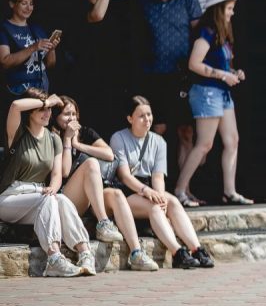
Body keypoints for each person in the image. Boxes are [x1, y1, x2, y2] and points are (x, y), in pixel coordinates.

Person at [52, 96, 159, 271]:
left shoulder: (86, 132)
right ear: (56, 117)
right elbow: (64, 172)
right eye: (65, 114)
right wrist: (67, 141)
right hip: (68, 198)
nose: (71, 118)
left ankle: (136, 252)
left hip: (92, 196)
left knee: (116, 194)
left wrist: (77, 144)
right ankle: (103, 223)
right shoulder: (54, 136)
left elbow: (109, 154)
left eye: (74, 113)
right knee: (91, 164)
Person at [110, 96, 214, 269]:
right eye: (141, 116)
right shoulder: (119, 138)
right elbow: (124, 176)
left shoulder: (159, 141)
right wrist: (147, 192)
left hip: (149, 187)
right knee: (155, 207)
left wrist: (159, 194)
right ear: (130, 118)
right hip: (128, 190)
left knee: (172, 202)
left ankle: (196, 249)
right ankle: (177, 253)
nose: (147, 119)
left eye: (149, 115)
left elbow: (158, 176)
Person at [0, 89, 95, 277]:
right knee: (49, 200)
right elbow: (15, 106)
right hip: (10, 196)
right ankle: (53, 258)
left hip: (39, 194)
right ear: (31, 111)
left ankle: (84, 252)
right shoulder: (18, 133)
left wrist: (53, 187)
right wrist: (45, 101)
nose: (47, 113)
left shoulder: (53, 139)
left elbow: (57, 174)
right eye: (42, 109)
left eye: (50, 109)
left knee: (61, 199)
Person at [173, 0, 252, 205]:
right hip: (207, 91)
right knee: (205, 144)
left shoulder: (223, 33)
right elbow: (194, 63)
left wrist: (233, 73)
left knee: (232, 140)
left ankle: (230, 191)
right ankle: (180, 190)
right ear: (218, 9)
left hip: (222, 92)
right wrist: (224, 75)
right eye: (229, 8)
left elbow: (219, 64)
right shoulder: (207, 31)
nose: (232, 12)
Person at [138, 0, 203, 206]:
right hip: (154, 74)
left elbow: (198, 33)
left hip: (182, 75)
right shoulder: (145, 0)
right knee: (158, 130)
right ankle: (156, 188)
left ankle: (184, 189)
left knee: (186, 132)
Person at [78, 0, 130, 137]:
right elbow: (97, 15)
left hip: (112, 79)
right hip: (90, 79)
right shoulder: (83, 9)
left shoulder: (115, 11)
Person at [0, 0, 60, 101]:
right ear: (12, 4)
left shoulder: (37, 29)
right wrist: (33, 47)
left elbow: (50, 64)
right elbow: (5, 62)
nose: (29, 8)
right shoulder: (4, 28)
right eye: (24, 3)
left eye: (31, 4)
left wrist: (52, 49)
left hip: (41, 90)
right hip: (18, 91)